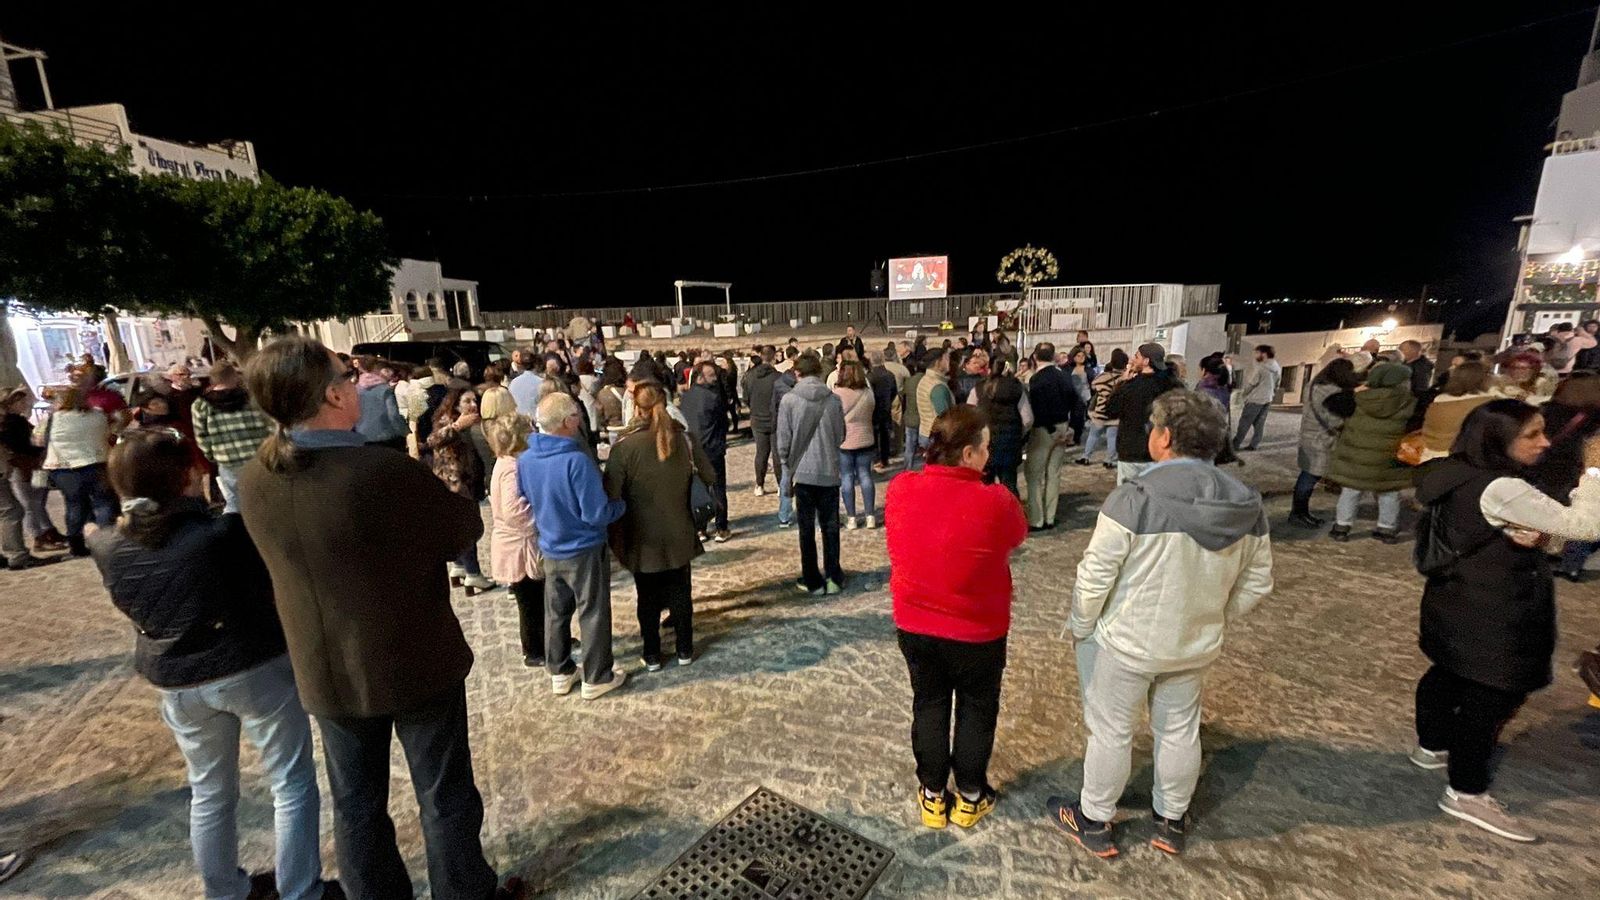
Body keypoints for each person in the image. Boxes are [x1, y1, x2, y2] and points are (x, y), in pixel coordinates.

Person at [236, 336, 519, 900]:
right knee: (443, 796)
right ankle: (465, 892)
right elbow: (461, 530)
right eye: (346, 377)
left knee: (355, 802)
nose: (356, 384)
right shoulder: (377, 472)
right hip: (411, 658)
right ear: (334, 396)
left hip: (324, 668)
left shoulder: (254, 478)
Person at [90, 429, 334, 900]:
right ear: (183, 476)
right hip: (247, 667)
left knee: (209, 792)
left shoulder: (107, 544)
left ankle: (225, 890)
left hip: (176, 678)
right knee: (292, 782)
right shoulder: (217, 536)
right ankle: (301, 890)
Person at [1048, 390, 1273, 859]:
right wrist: (1213, 616)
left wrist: (1083, 624)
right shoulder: (1247, 504)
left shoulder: (1135, 497)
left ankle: (1094, 818)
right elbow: (1258, 584)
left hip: (1127, 640)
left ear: (1164, 436)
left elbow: (1094, 575)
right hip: (1194, 642)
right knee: (1179, 729)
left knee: (1111, 730)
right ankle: (1170, 818)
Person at [1410, 401, 1600, 842]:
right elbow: (1586, 526)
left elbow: (1469, 520)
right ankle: (1466, 792)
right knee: (1494, 693)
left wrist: (1510, 530)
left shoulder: (1456, 468)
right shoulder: (1501, 486)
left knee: (1449, 672)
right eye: (1532, 435)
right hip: (1494, 605)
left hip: (1456, 595)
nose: (1546, 442)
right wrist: (1593, 473)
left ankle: (1431, 746)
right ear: (1498, 440)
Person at [887, 405, 1026, 829]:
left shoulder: (901, 488)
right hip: (977, 629)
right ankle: (969, 795)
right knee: (976, 710)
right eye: (985, 448)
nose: (989, 456)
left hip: (916, 624)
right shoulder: (996, 500)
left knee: (928, 705)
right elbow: (1017, 537)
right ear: (968, 453)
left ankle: (932, 795)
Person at [518, 392, 628, 699]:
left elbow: (524, 496)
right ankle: (597, 676)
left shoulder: (526, 459)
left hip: (551, 546)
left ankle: (560, 671)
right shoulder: (576, 461)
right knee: (592, 611)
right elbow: (595, 513)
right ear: (568, 422)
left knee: (556, 612)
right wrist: (621, 506)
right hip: (583, 547)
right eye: (577, 416)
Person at [604, 383, 715, 670]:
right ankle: (685, 648)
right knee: (681, 592)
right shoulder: (683, 438)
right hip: (679, 528)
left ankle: (652, 653)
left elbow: (611, 494)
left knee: (647, 597)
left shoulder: (624, 447)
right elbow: (710, 475)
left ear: (636, 408)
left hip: (642, 535)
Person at [777, 353, 847, 594]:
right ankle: (833, 577)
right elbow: (841, 436)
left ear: (797, 373)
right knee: (830, 527)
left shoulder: (789, 400)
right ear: (819, 372)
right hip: (829, 470)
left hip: (803, 473)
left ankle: (812, 579)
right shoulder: (834, 400)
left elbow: (783, 442)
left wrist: (788, 464)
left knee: (806, 529)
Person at [1327, 361, 1417, 543]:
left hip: (1357, 455)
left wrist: (1354, 391)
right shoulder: (1409, 401)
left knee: (1351, 490)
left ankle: (1341, 527)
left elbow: (1331, 403)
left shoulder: (1360, 398)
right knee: (1389, 492)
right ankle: (1387, 529)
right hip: (1389, 457)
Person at [485, 417, 547, 669]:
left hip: (520, 544)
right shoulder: (511, 468)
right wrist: (542, 516)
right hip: (519, 547)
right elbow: (515, 511)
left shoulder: (509, 463)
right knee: (530, 602)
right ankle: (534, 650)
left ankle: (544, 640)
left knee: (537, 599)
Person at [1528, 374, 1600, 580]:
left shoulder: (1545, 410)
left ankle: (1538, 551)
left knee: (1542, 511)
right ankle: (1571, 564)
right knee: (1583, 513)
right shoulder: (1594, 418)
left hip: (1541, 467)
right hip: (1576, 470)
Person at [427, 388, 496, 592]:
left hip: (467, 478)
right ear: (456, 404)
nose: (473, 405)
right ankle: (473, 573)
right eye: (467, 401)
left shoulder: (473, 422)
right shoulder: (448, 420)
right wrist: (457, 426)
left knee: (463, 524)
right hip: (454, 481)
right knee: (468, 526)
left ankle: (460, 566)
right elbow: (433, 440)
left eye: (474, 400)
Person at [40, 387, 117, 556]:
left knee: (74, 505)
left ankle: (76, 544)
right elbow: (107, 434)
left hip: (65, 468)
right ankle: (108, 540)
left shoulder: (55, 419)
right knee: (104, 503)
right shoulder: (97, 415)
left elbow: (40, 439)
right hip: (96, 463)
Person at [191, 360, 273, 515]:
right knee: (266, 498)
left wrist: (213, 455)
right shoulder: (252, 398)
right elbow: (269, 425)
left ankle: (235, 532)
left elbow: (201, 436)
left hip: (228, 460)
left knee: (234, 501)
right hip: (258, 457)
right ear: (234, 376)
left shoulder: (201, 405)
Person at [1290, 358, 1360, 528]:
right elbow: (1334, 421)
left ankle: (1301, 513)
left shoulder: (1312, 385)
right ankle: (1298, 513)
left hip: (1308, 436)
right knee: (1309, 478)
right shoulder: (1332, 392)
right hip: (1321, 439)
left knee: (1307, 476)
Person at [1, 386, 65, 555]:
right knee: (29, 503)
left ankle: (48, 530)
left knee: (39, 499)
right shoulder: (10, 423)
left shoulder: (19, 420)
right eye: (19, 400)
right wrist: (38, 448)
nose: (24, 403)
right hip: (23, 467)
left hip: (34, 464)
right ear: (10, 403)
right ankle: (39, 537)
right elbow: (19, 445)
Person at [1106, 343, 1178, 484]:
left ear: (1146, 361)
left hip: (1131, 449)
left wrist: (1121, 383)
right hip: (1160, 449)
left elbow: (1111, 410)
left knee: (1129, 496)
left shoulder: (1130, 386)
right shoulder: (1170, 384)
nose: (1132, 359)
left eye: (1137, 356)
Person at [1022, 343, 1077, 529]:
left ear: (1035, 357)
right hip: (1062, 425)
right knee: (1054, 474)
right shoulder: (1064, 376)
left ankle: (1037, 519)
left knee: (1034, 475)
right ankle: (1050, 517)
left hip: (1044, 430)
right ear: (1053, 356)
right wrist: (1072, 429)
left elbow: (1039, 408)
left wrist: (1052, 431)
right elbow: (1077, 402)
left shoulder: (1037, 379)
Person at [679, 362, 732, 541]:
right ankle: (721, 527)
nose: (715, 378)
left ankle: (700, 528)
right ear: (700, 377)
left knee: (698, 489)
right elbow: (724, 423)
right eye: (711, 375)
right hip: (712, 448)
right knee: (717, 488)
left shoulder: (685, 397)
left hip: (693, 449)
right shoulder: (713, 397)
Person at [967, 359, 1031, 497]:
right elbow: (1028, 419)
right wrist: (1019, 434)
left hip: (985, 444)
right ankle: (1010, 516)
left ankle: (985, 515)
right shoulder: (1016, 387)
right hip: (1009, 444)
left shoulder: (978, 388)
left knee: (984, 486)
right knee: (1009, 486)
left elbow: (969, 416)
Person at [1417, 362, 1494, 463]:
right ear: (1483, 379)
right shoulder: (1485, 402)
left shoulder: (1439, 399)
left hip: (1429, 453)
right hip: (1459, 460)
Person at [833, 360, 879, 529]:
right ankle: (870, 515)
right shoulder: (867, 393)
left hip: (845, 440)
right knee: (865, 475)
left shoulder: (837, 394)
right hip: (865, 436)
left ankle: (851, 517)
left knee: (846, 477)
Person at [1077, 350, 1127, 469]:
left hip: (1100, 411)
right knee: (1112, 437)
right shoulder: (1124, 379)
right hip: (1115, 414)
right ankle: (1109, 459)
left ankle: (1086, 457)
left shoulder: (1103, 377)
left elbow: (1094, 385)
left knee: (1093, 435)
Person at [912, 348, 957, 472]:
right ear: (938, 362)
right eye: (946, 359)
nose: (949, 362)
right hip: (936, 436)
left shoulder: (925, 380)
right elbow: (945, 416)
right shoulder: (937, 387)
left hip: (925, 431)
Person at [1232, 345, 1281, 451]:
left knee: (1244, 422)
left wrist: (1243, 395)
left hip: (1255, 399)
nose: (1255, 355)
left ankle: (1234, 445)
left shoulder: (1261, 368)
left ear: (1264, 354)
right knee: (1259, 423)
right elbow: (1277, 383)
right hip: (1267, 399)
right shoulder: (1276, 367)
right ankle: (1254, 444)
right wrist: (1272, 393)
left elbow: (1251, 384)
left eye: (1257, 353)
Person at [353, 356, 409, 451]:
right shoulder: (385, 389)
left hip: (362, 437)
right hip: (387, 438)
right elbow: (393, 415)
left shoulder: (355, 389)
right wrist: (404, 431)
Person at [868, 351, 900, 472]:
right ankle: (884, 459)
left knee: (875, 435)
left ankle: (876, 458)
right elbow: (894, 391)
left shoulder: (870, 376)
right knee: (885, 434)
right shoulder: (890, 375)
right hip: (885, 407)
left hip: (874, 409)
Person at [1063, 347, 1093, 443]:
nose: (1081, 358)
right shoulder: (1067, 369)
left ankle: (1076, 437)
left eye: (1083, 356)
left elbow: (1092, 383)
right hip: (1070, 397)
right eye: (1078, 356)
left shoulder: (1088, 369)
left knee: (1079, 418)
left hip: (1083, 398)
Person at [595, 358, 628, 430]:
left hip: (611, 428)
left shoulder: (602, 393)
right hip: (627, 427)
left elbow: (599, 416)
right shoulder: (628, 392)